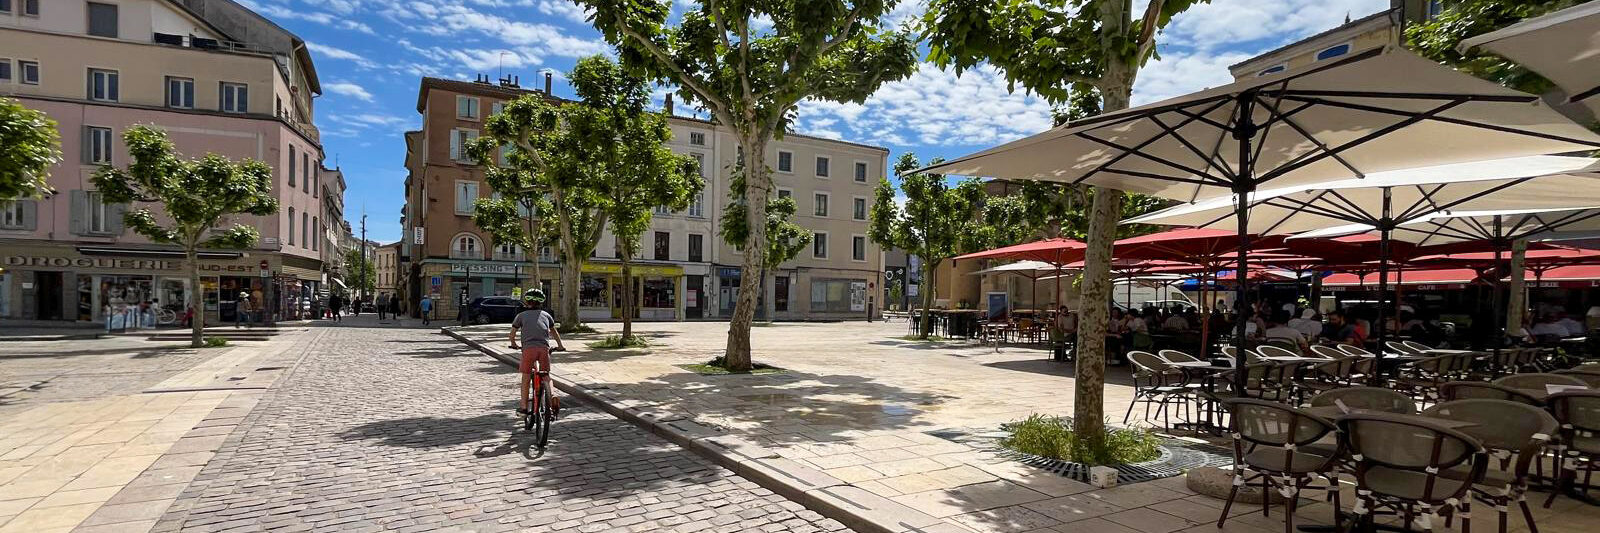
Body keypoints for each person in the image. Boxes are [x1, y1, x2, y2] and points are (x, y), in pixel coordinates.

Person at [509, 290, 565, 416]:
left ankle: (523, 408)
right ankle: (553, 395)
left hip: (528, 350)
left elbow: (512, 334)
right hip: (543, 349)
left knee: (526, 377)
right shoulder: (546, 315)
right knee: (546, 375)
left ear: (526, 302)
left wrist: (514, 344)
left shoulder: (521, 316)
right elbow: (554, 332)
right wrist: (560, 346)